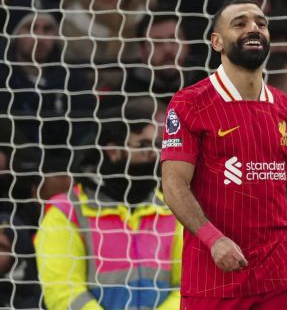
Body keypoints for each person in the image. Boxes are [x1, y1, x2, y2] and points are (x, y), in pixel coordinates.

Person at [161, 0, 287, 310]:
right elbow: (173, 185)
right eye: (240, 23)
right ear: (216, 41)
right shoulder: (189, 104)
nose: (254, 28)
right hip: (212, 281)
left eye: (261, 23)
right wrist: (213, 239)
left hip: (279, 281)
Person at [34, 97, 183, 310]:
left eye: (158, 145)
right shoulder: (67, 211)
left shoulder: (171, 209)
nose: (155, 155)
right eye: (143, 145)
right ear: (112, 150)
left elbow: (188, 286)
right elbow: (63, 292)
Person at [0, 0, 97, 171]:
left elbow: (84, 129)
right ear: (15, 33)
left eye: (47, 29)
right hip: (15, 172)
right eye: (30, 27)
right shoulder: (3, 77)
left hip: (67, 171)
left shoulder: (72, 78)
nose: (40, 36)